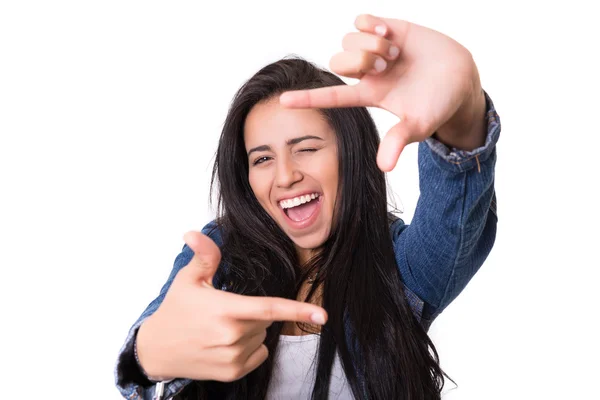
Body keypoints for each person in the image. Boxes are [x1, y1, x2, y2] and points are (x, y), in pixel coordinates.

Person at [114, 13, 500, 400]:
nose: (285, 177)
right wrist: (146, 356)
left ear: (350, 153)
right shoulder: (219, 254)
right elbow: (150, 345)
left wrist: (462, 109)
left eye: (307, 149)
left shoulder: (401, 264)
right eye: (262, 159)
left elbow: (454, 212)